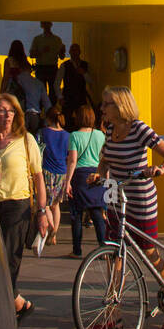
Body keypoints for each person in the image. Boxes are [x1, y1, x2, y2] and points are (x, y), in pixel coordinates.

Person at [89, 86, 164, 329]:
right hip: (115, 197)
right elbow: (106, 158)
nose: (102, 108)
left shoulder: (139, 129)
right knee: (113, 255)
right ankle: (113, 315)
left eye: (106, 103)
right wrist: (98, 174)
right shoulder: (108, 129)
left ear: (120, 106)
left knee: (150, 253)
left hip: (140, 198)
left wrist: (160, 169)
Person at [0, 93, 48, 321]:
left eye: (11, 110)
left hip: (17, 207)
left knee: (8, 262)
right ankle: (20, 304)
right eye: (2, 111)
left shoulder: (26, 140)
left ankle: (4, 314)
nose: (7, 115)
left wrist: (42, 211)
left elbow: (38, 177)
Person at [64, 104, 107, 259]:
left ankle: (77, 250)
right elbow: (104, 159)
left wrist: (67, 181)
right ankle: (104, 248)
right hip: (96, 174)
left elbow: (72, 160)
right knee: (96, 212)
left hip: (80, 176)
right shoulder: (101, 135)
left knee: (76, 214)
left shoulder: (74, 136)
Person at [37, 106, 72, 248]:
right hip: (62, 172)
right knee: (56, 205)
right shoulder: (68, 135)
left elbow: (39, 150)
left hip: (47, 172)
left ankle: (50, 229)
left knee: (45, 205)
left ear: (48, 118)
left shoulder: (43, 132)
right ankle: (55, 233)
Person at [2, 39, 51, 134]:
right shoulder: (25, 62)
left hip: (15, 98)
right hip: (31, 109)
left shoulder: (9, 61)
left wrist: (2, 92)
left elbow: (6, 77)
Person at [29, 21, 66, 105]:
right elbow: (31, 55)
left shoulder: (57, 39)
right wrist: (41, 51)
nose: (45, 25)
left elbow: (62, 57)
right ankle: (43, 111)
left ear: (51, 24)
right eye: (44, 23)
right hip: (40, 67)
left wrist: (62, 51)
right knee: (41, 91)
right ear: (41, 25)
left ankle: (52, 111)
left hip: (52, 67)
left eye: (47, 23)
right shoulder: (37, 39)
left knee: (53, 91)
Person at [58, 43, 94, 120]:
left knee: (83, 119)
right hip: (68, 96)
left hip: (81, 96)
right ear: (70, 52)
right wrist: (60, 97)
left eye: (76, 50)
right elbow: (57, 82)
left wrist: (84, 73)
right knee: (66, 120)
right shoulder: (64, 65)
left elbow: (91, 81)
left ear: (80, 52)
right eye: (72, 50)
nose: (74, 52)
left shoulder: (85, 65)